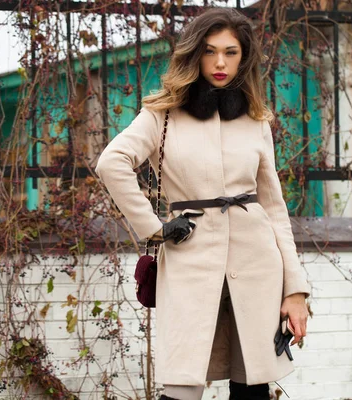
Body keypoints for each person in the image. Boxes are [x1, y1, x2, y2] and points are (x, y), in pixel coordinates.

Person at [95, 7, 311, 400]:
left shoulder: (257, 120)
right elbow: (112, 163)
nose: (220, 62)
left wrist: (295, 290)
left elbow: (275, 209)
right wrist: (155, 228)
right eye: (210, 51)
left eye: (231, 52)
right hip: (191, 261)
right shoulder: (162, 114)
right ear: (194, 54)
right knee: (181, 388)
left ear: (243, 57)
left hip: (257, 264)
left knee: (253, 387)